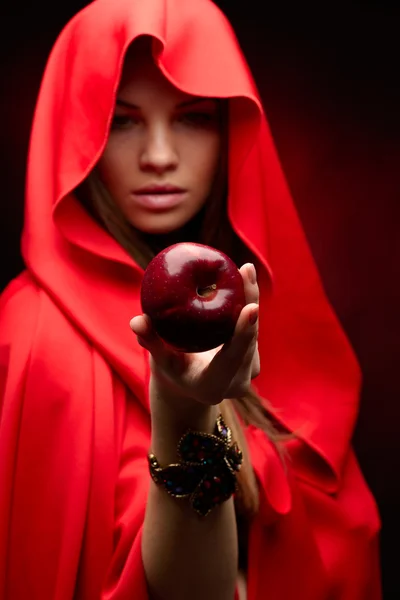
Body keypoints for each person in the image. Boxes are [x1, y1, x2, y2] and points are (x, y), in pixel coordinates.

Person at [0, 0, 382, 598]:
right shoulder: (34, 337)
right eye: (121, 121)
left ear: (232, 124)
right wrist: (183, 411)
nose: (158, 156)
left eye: (193, 118)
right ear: (73, 131)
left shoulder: (261, 305)